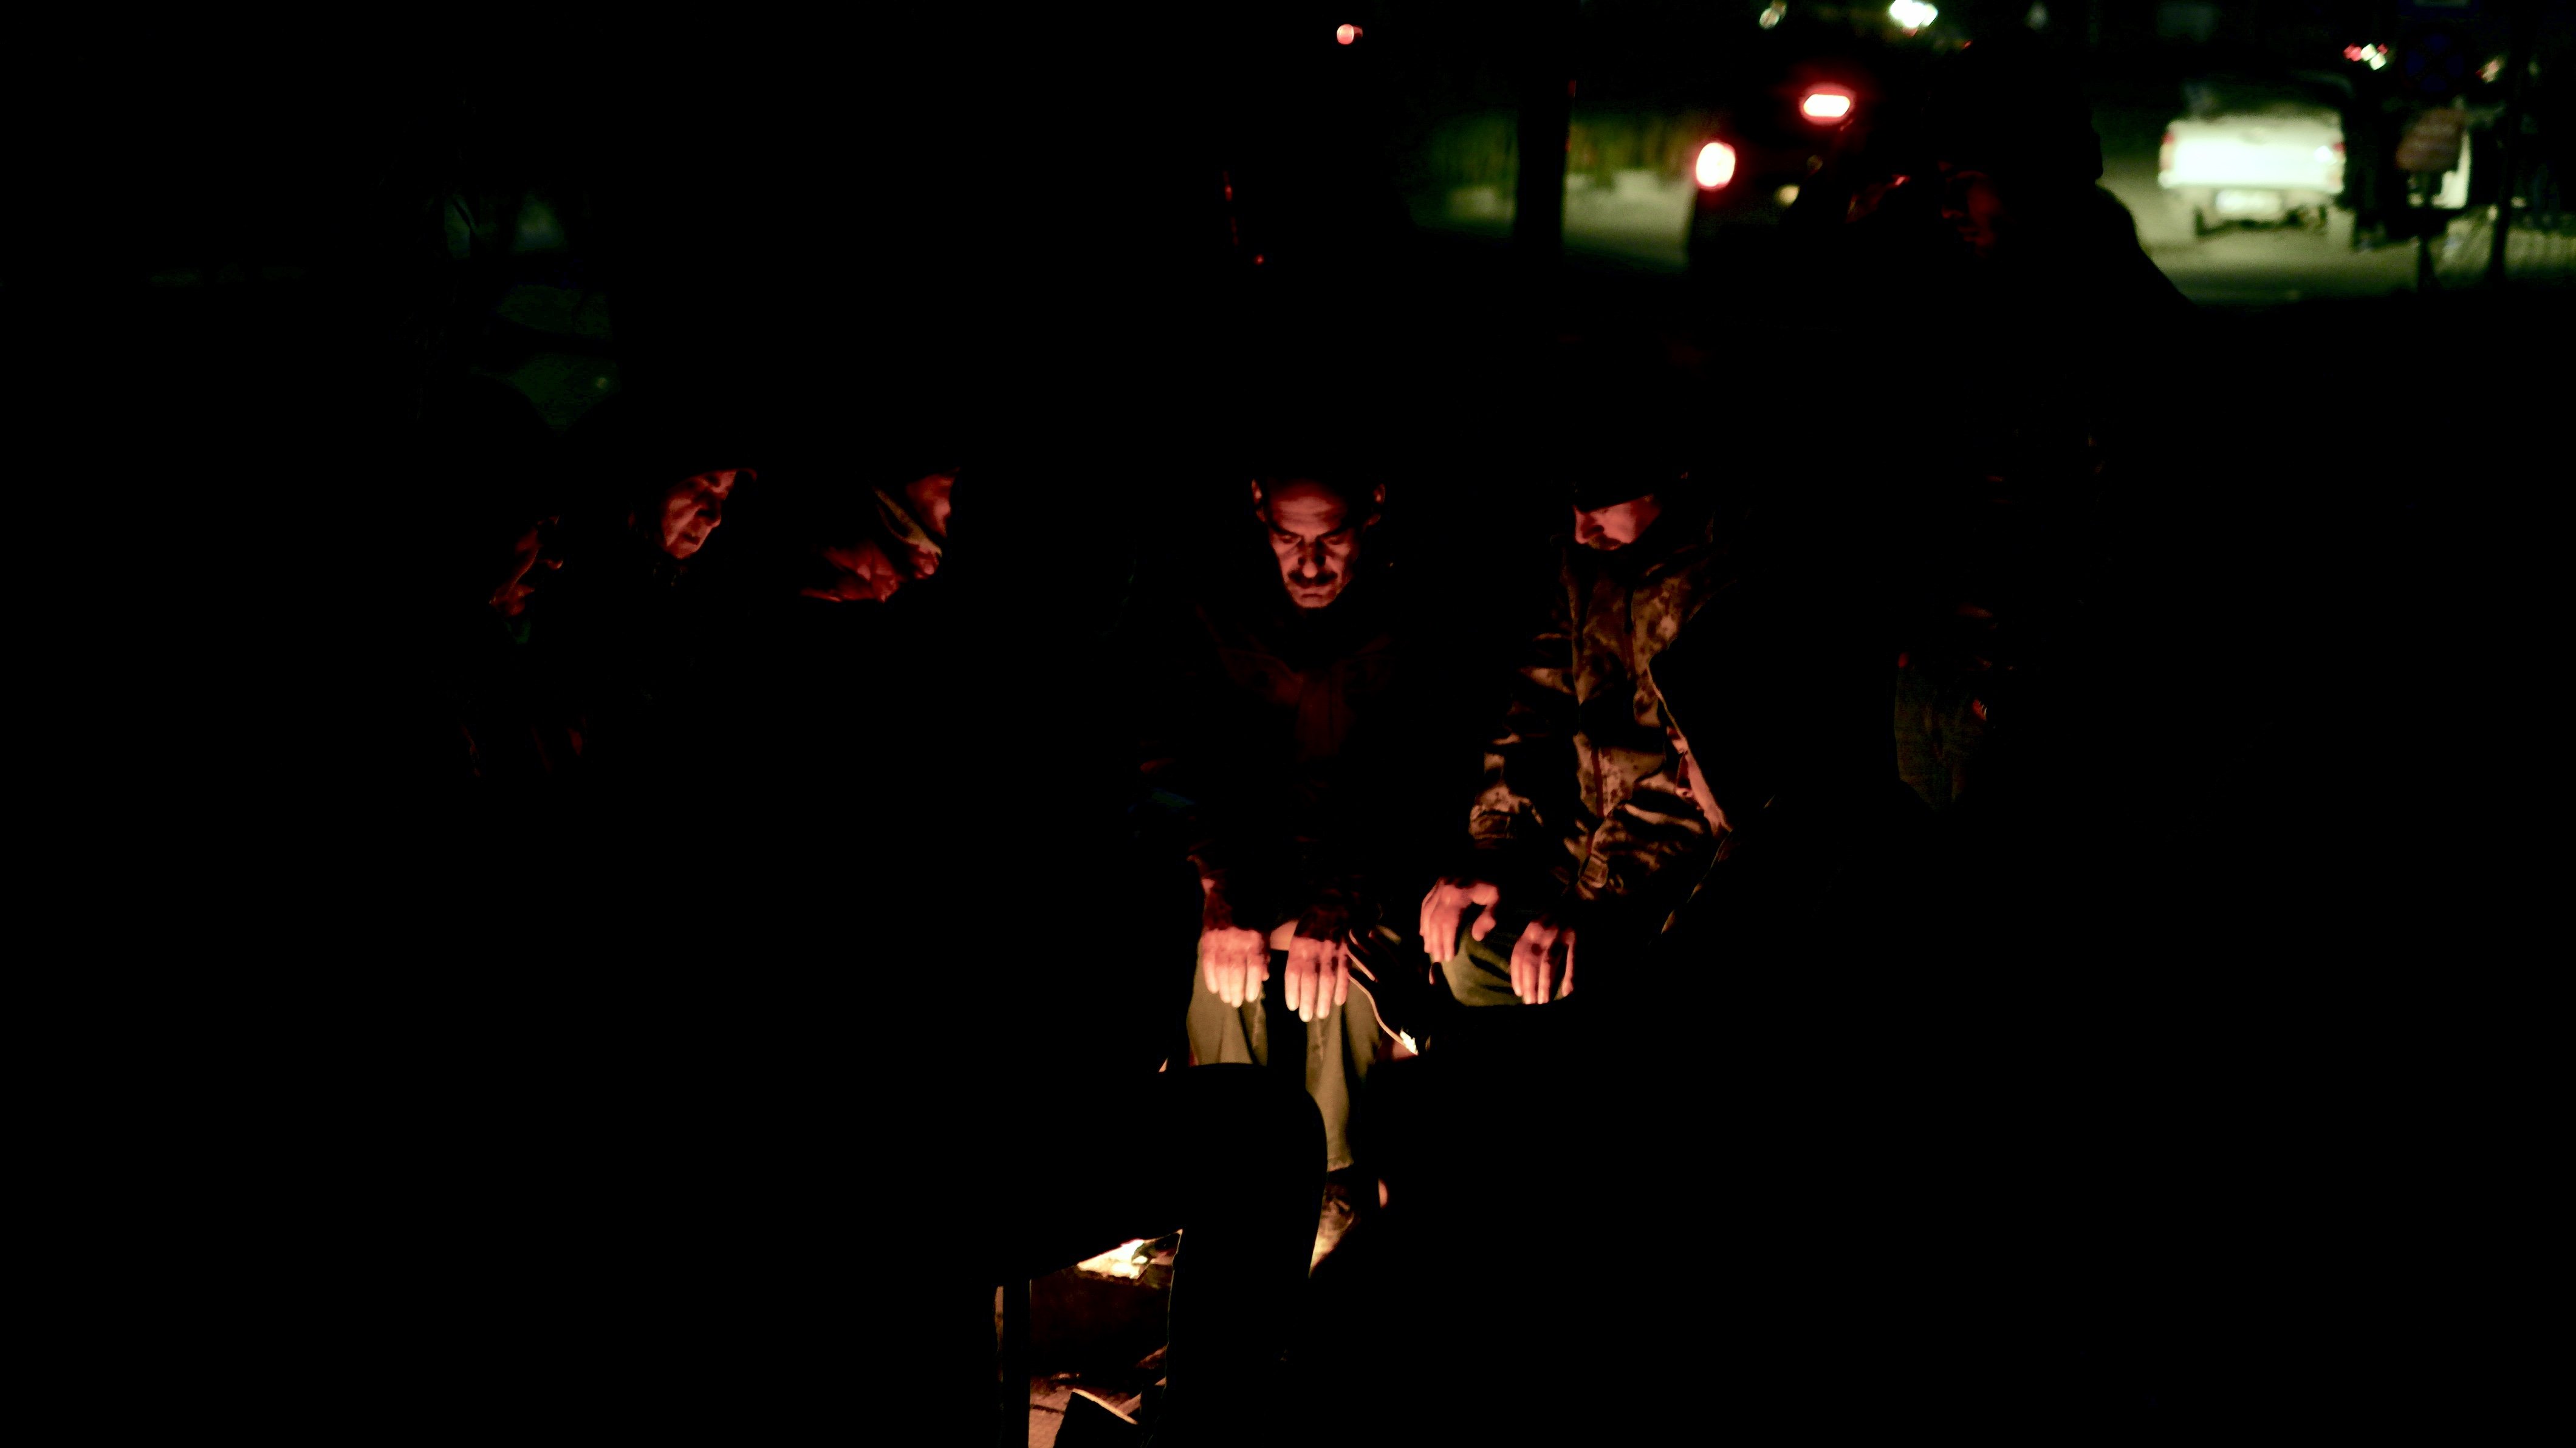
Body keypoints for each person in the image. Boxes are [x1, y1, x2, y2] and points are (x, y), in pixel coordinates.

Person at [1134, 462, 1448, 1259]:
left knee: (1335, 977)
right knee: (1212, 963)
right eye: (1289, 538)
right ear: (1257, 511)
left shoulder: (1418, 613)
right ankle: (1225, 1178)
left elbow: (1412, 785)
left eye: (1331, 539)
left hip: (1365, 879)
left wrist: (1336, 906)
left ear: (1375, 507)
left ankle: (1332, 1182)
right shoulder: (1208, 609)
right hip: (1247, 865)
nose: (1309, 565)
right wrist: (1218, 895)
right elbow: (1169, 761)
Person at [1417, 411, 1736, 1016]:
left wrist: (1597, 900)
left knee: (1570, 982)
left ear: (1674, 477)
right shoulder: (1580, 565)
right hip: (1578, 855)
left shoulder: (1731, 575)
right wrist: (1494, 849)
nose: (1582, 530)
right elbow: (1532, 706)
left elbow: (1709, 776)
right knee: (1467, 945)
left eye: (1602, 504)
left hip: (1683, 871)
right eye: (1571, 504)